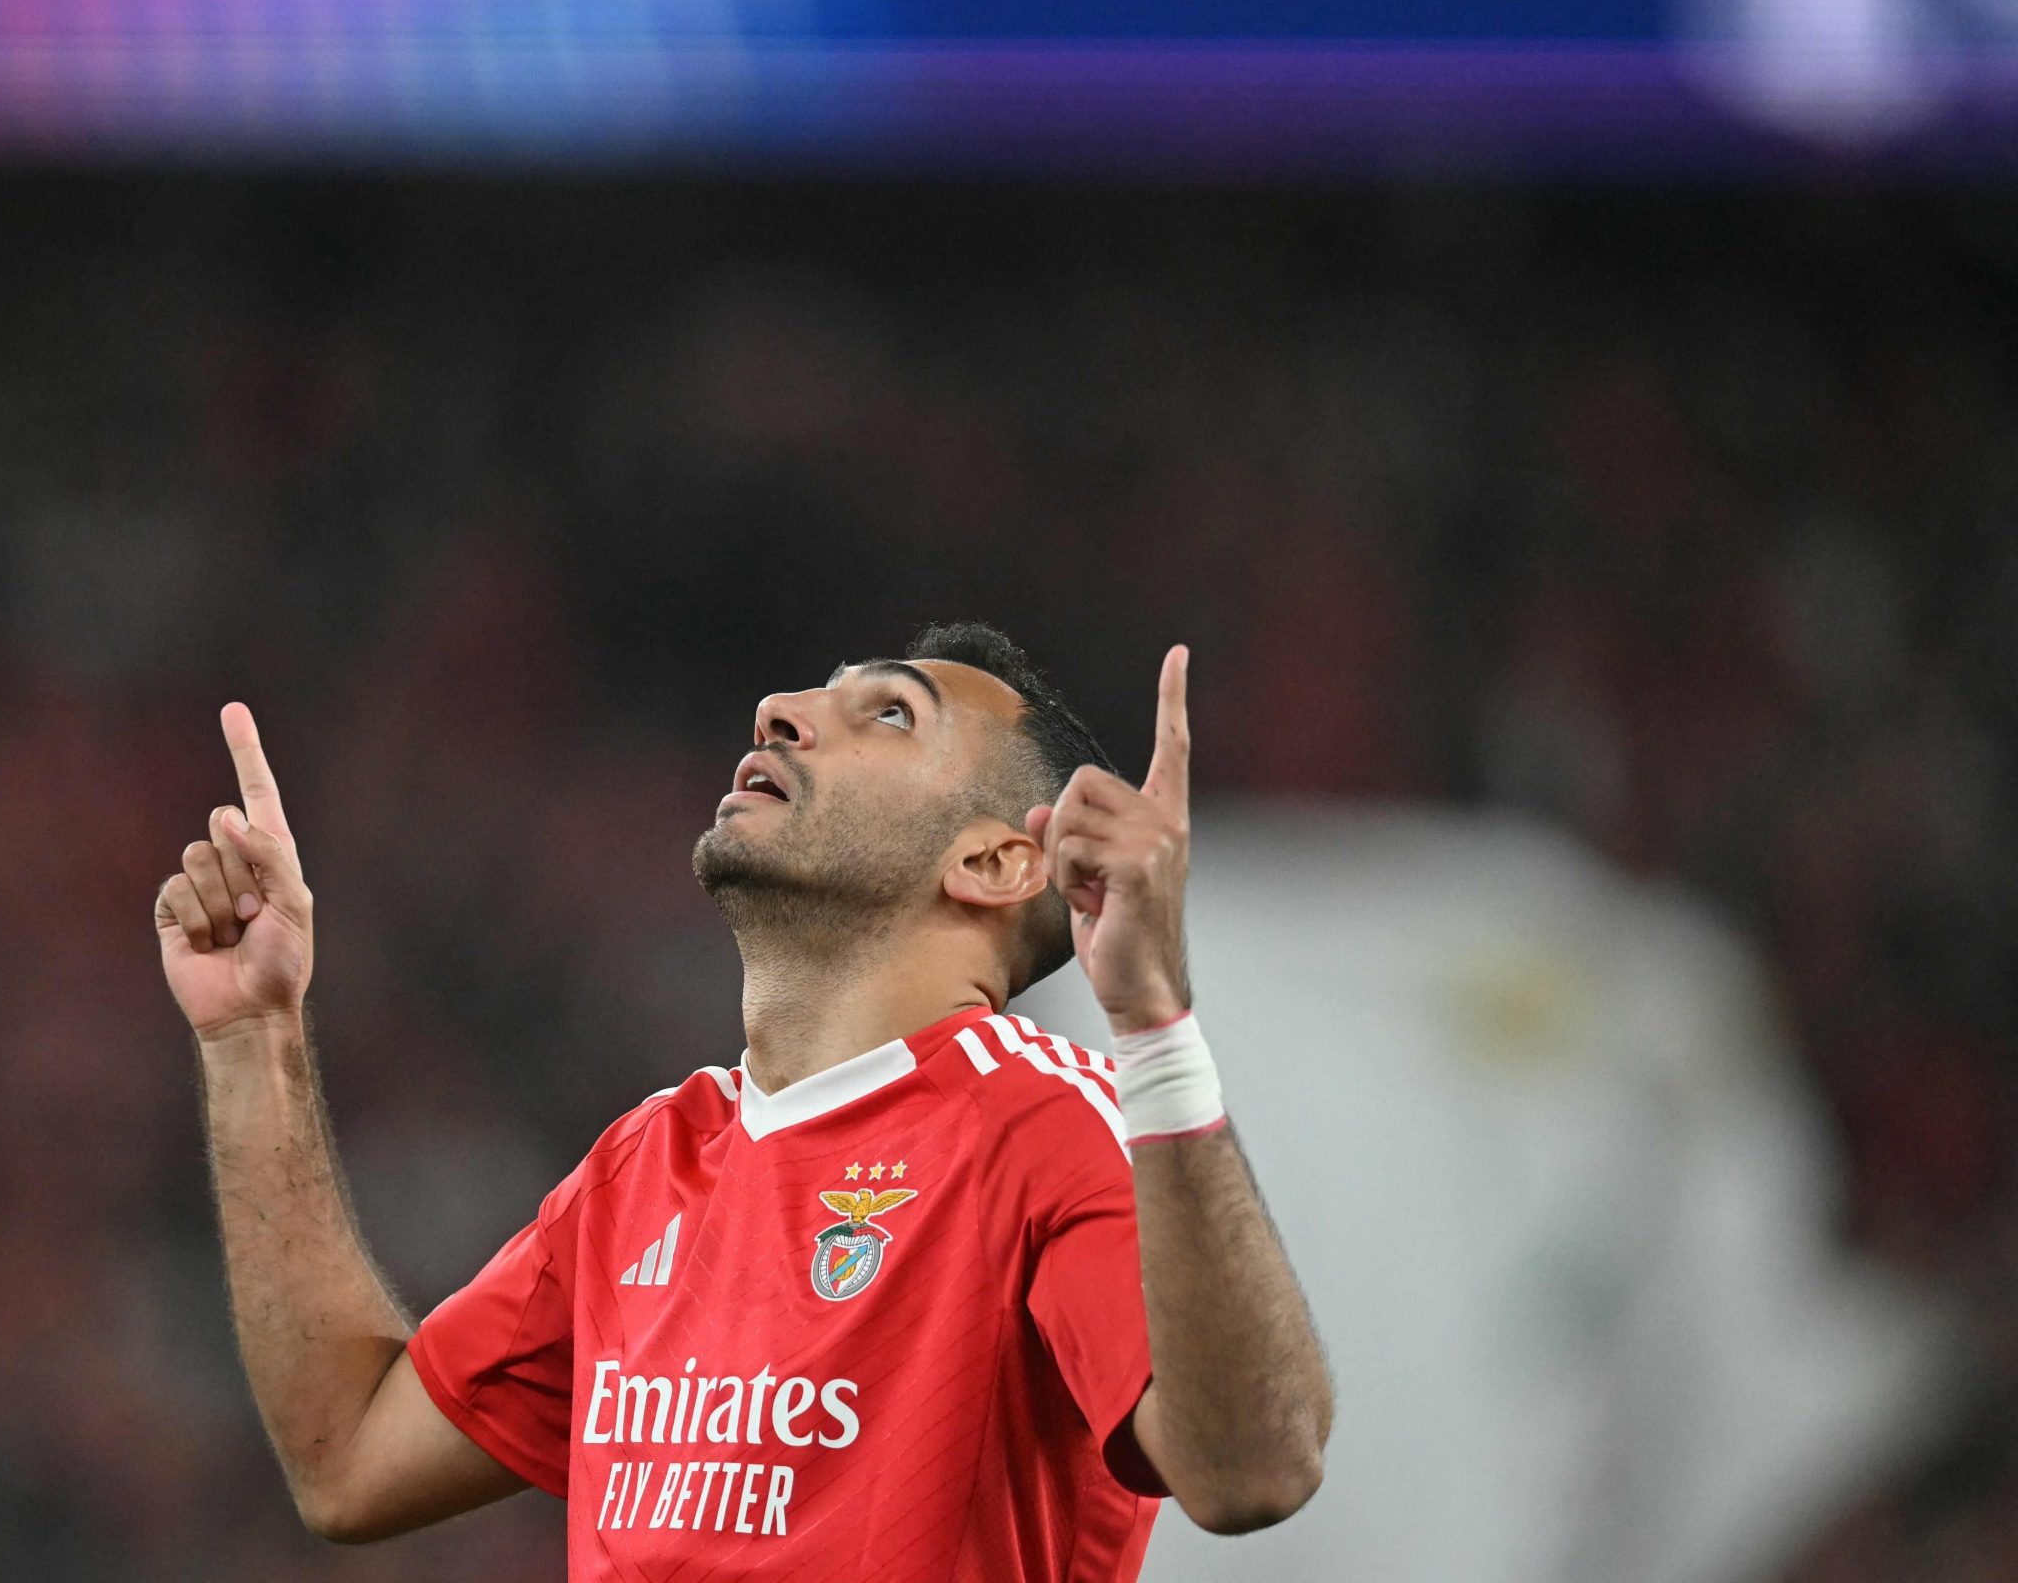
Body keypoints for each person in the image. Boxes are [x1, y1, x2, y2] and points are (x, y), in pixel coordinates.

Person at [154, 621, 1333, 1578]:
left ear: (990, 863)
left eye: (885, 712)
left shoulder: (1044, 1129)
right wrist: (252, 1038)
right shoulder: (646, 1167)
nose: (780, 709)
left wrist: (1154, 1029)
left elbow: (1253, 1472)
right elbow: (347, 1459)